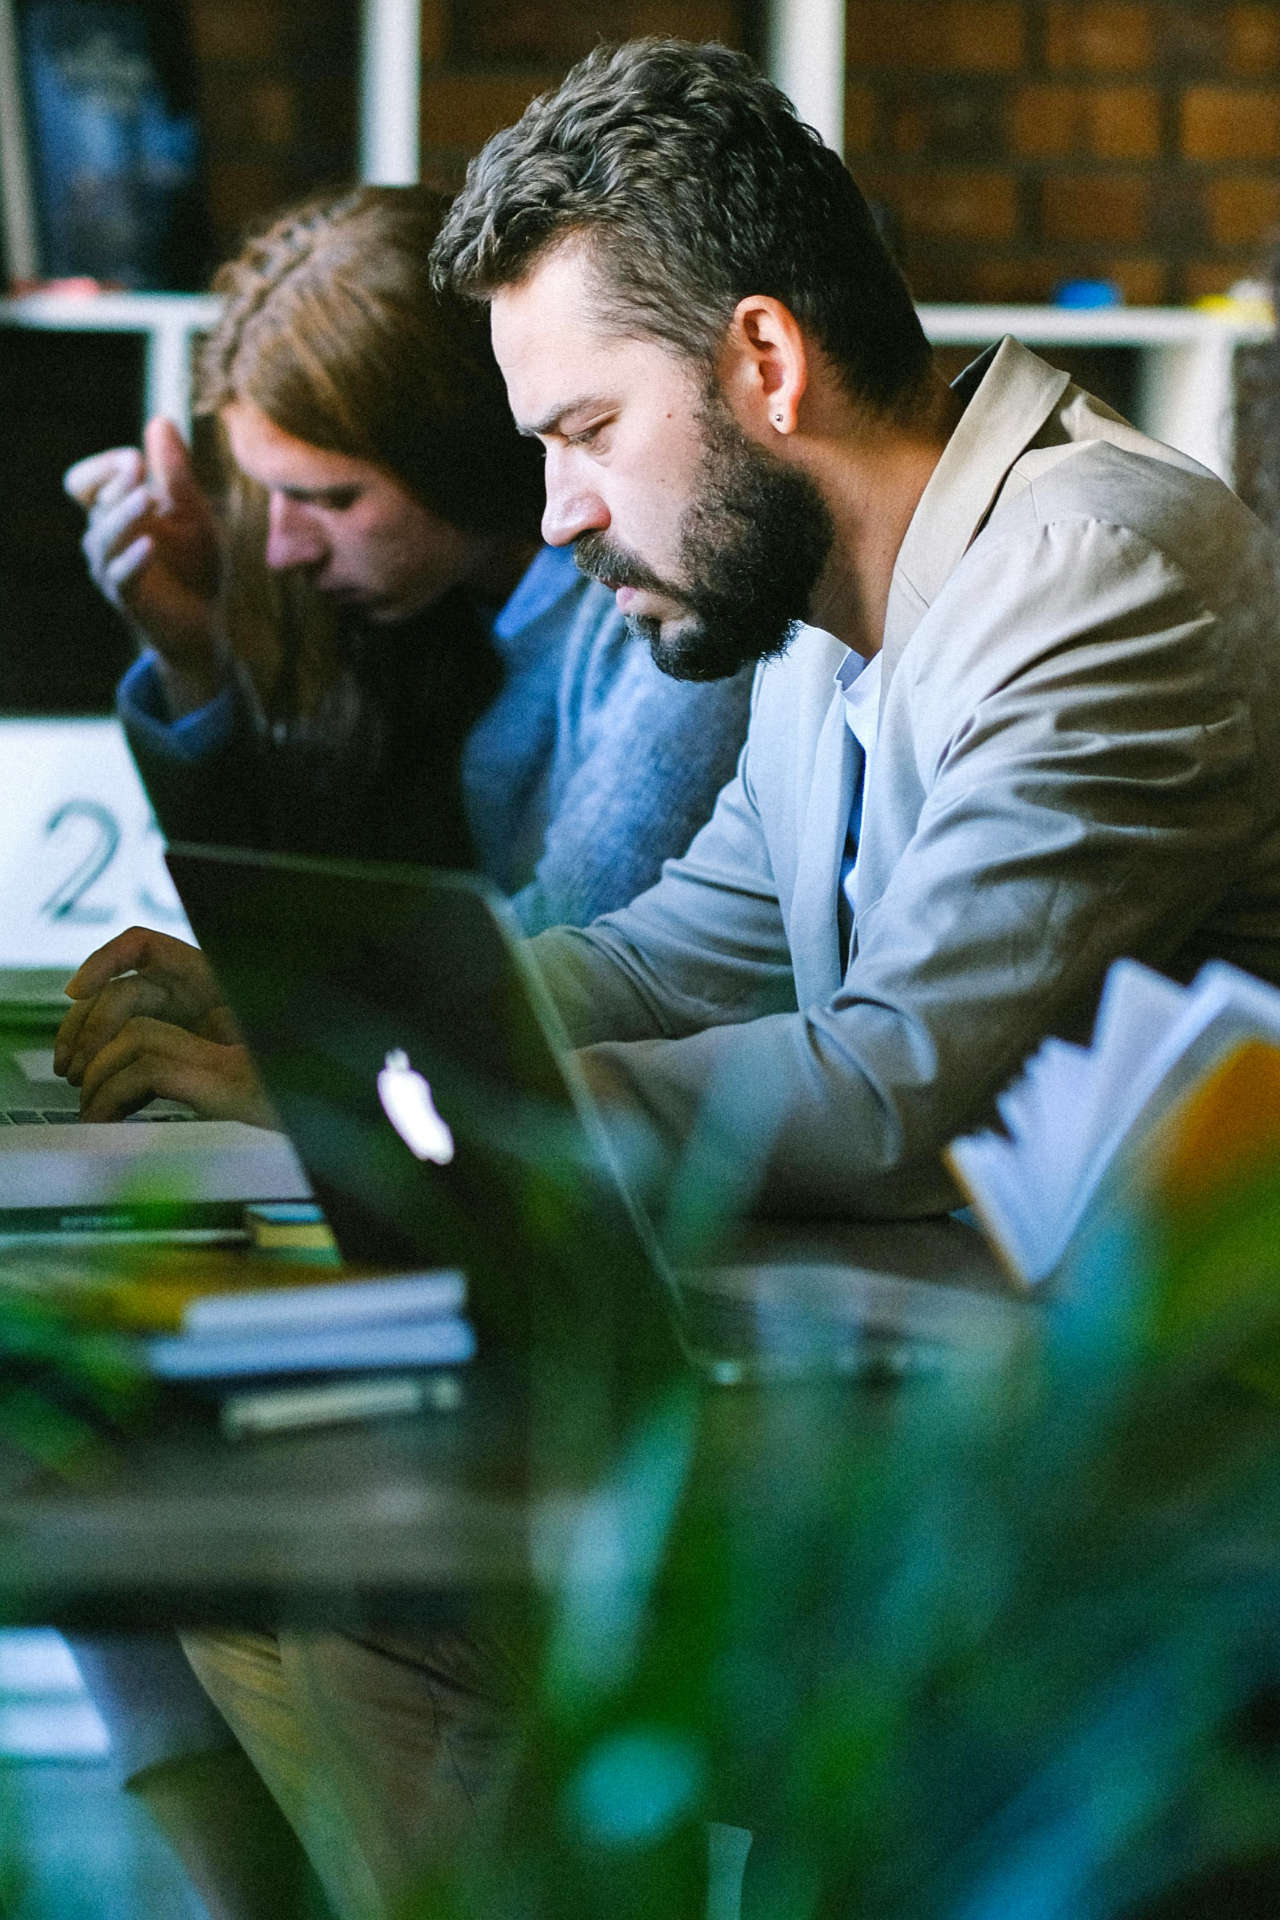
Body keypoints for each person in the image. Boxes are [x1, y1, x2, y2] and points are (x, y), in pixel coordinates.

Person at [57, 36, 1280, 1919]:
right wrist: (314, 1023)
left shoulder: (1103, 571)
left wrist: (381, 1092)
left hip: (1092, 1487)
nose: (552, 514)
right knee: (152, 1496)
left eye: (580, 432)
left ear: (764, 364)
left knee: (346, 1558)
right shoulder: (835, 602)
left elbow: (900, 1091)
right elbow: (660, 952)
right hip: (890, 1371)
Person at [54, 176, 752, 1920]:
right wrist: (198, 658)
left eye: (326, 498)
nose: (284, 543)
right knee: (90, 1457)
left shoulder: (645, 632)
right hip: (513, 1200)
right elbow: (365, 913)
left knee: (160, 1474)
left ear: (470, 450)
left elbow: (523, 983)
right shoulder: (463, 627)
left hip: (620, 1249)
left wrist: (289, 1058)